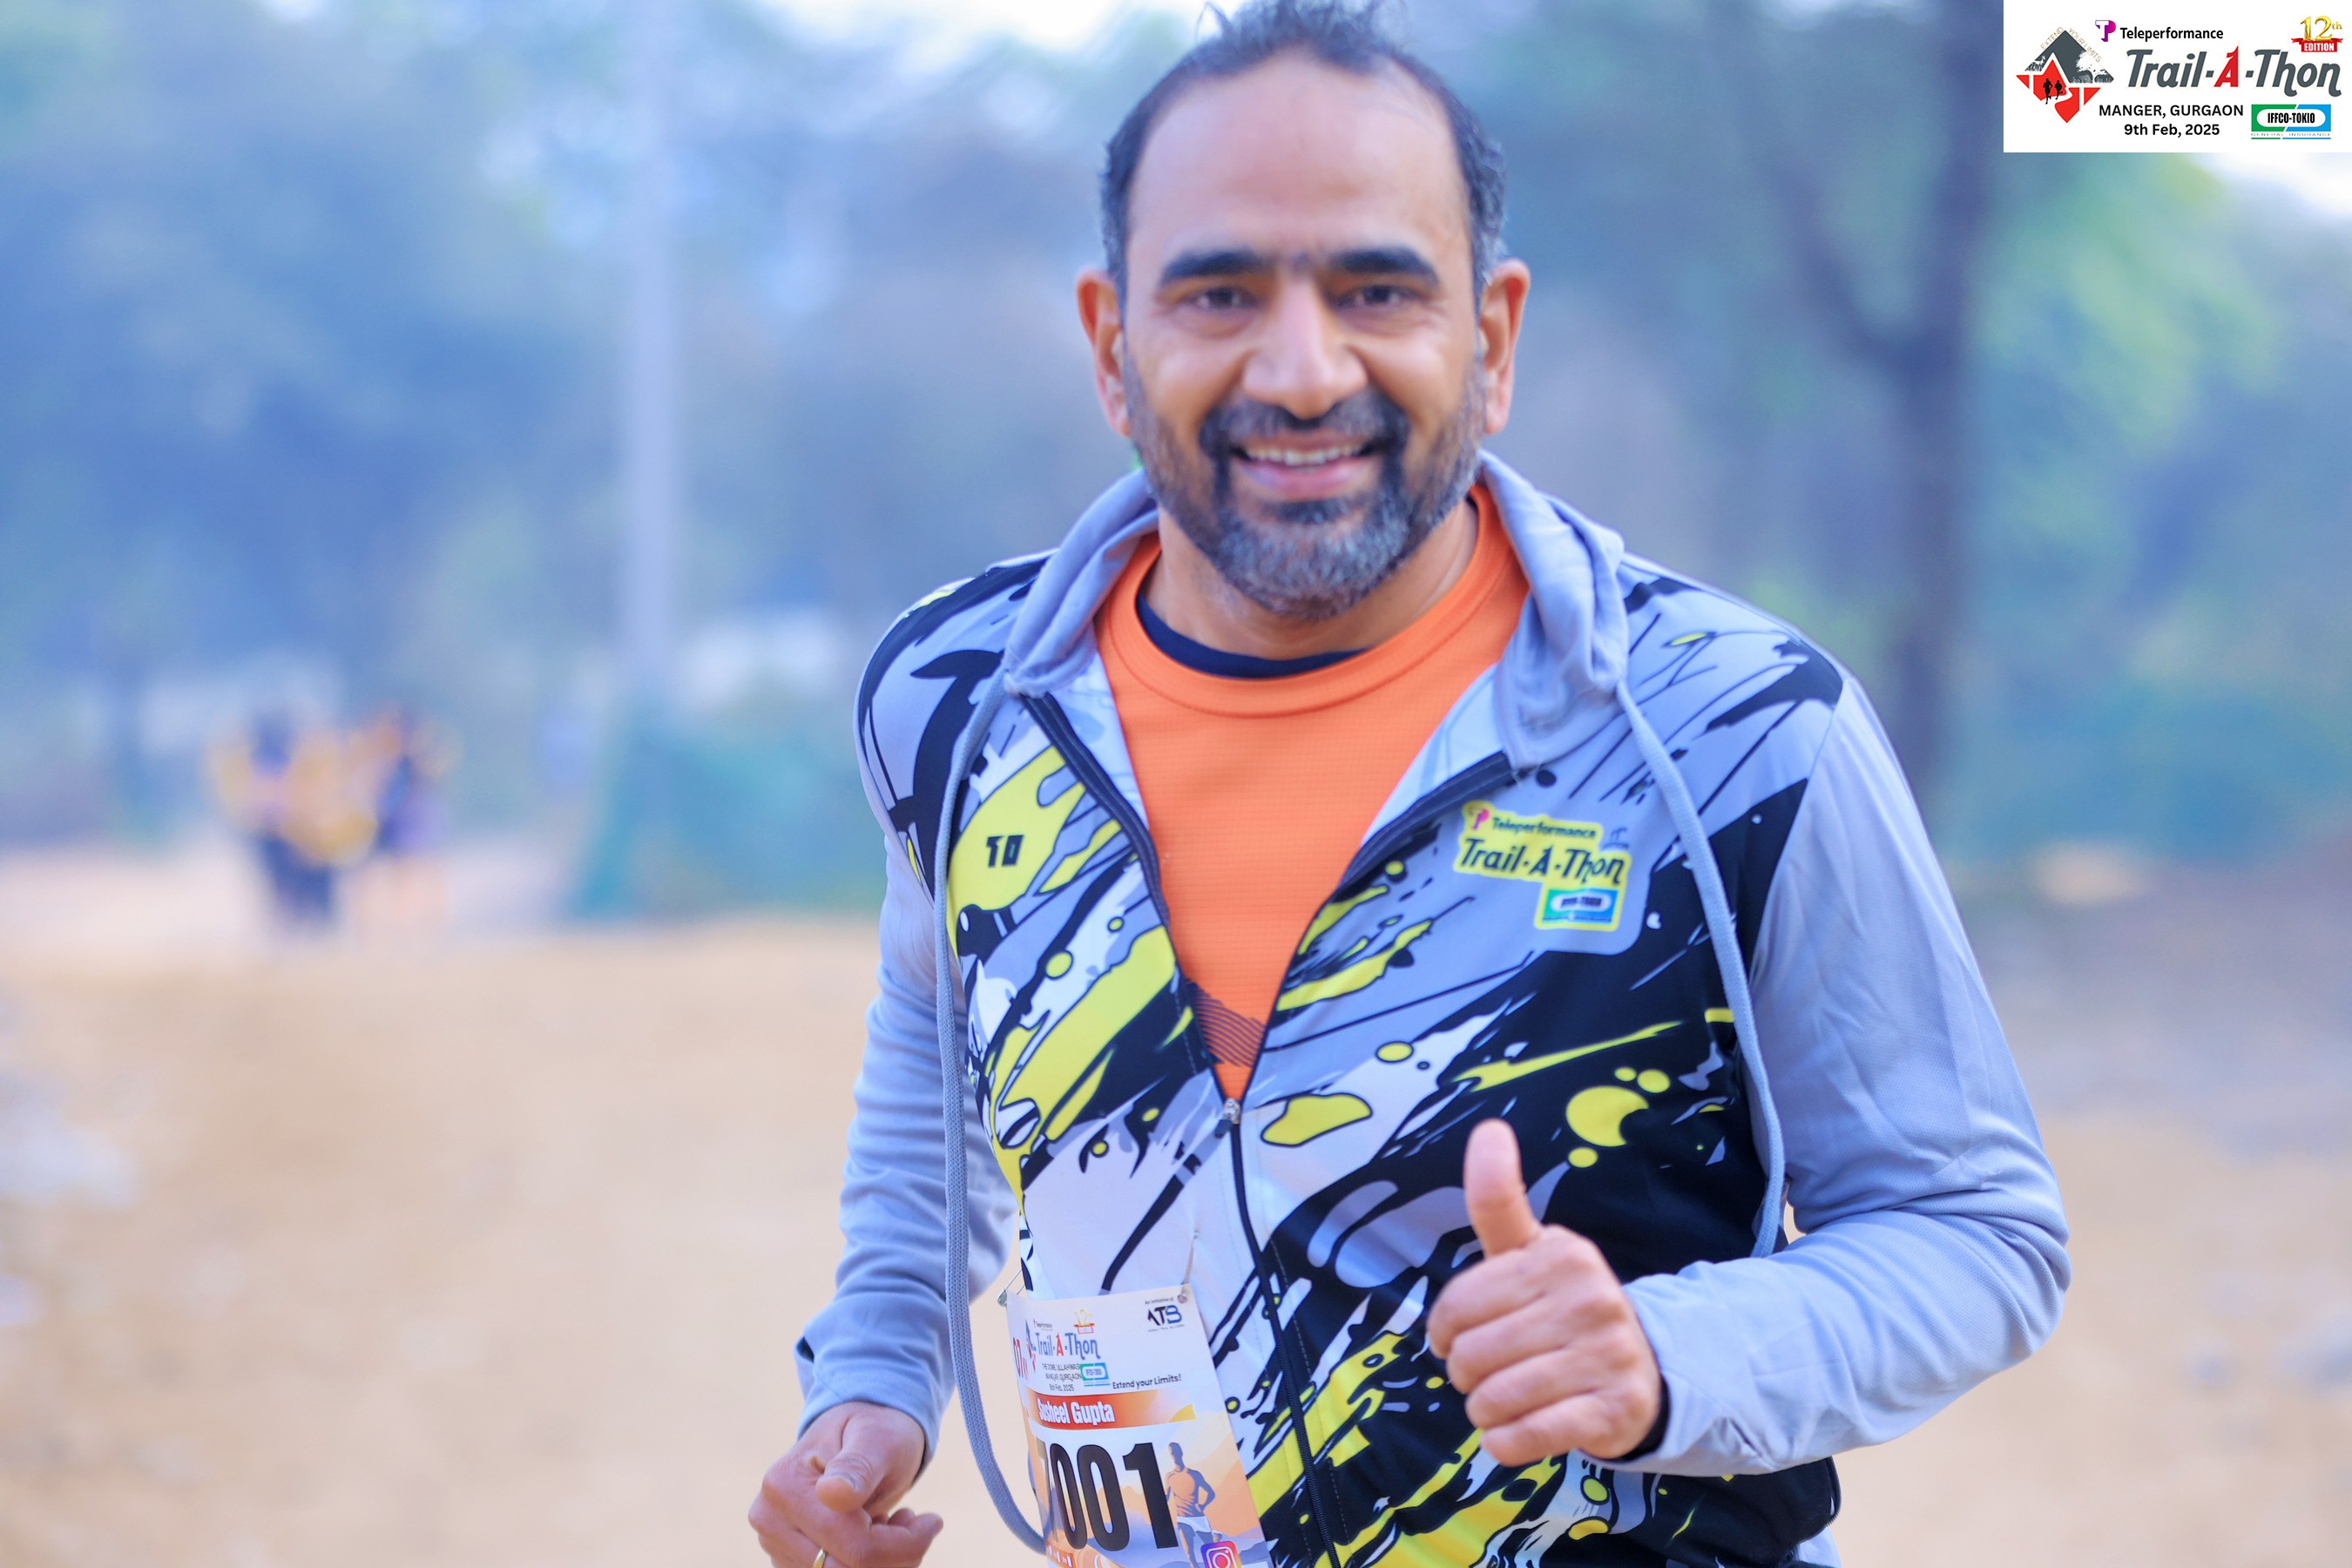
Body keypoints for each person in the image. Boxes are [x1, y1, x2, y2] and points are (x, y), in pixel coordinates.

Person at [750, 4, 2068, 1565]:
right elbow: (942, 1058)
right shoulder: (964, 705)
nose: (1304, 371)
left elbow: (1977, 1234)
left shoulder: (1736, 735)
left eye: (1376, 290)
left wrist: (1667, 1358)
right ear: (1112, 347)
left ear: (1493, 341)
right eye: (1221, 293)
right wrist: (877, 1368)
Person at [1164, 1441, 1218, 1565]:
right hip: (1183, 1519)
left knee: (1212, 1550)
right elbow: (1166, 1496)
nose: (1174, 1455)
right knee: (1189, 1554)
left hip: (1198, 1518)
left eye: (1176, 1452)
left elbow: (1211, 1493)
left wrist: (1203, 1505)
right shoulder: (1169, 1476)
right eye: (1172, 1453)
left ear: (1181, 1452)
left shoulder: (1194, 1474)